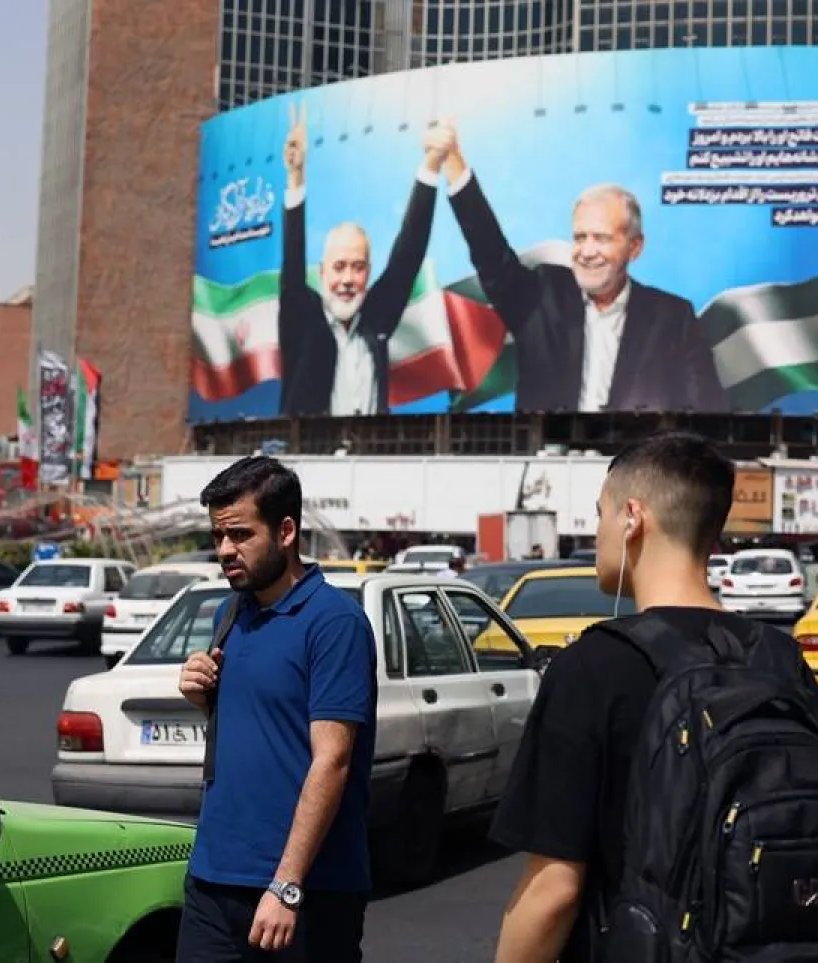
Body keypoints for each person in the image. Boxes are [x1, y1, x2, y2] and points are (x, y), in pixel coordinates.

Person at [489, 432, 818, 962]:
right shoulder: (781, 660)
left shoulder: (592, 667)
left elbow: (554, 889)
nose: (597, 529)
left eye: (600, 512)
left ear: (632, 517)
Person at [176, 455, 377, 961]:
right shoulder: (231, 612)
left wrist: (286, 885)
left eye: (240, 535)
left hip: (304, 891)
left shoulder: (335, 622)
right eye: (218, 536)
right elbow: (261, 733)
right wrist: (205, 701)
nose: (225, 550)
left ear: (286, 531)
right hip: (213, 880)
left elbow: (332, 760)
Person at [434, 121, 728, 414]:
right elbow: (491, 256)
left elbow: (705, 412)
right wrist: (455, 165)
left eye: (601, 238)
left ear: (635, 247)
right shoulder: (541, 296)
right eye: (579, 237)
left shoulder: (674, 319)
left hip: (634, 457)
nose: (587, 252)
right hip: (550, 455)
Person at [277, 102, 444, 416]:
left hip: (369, 455)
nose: (347, 280)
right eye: (339, 267)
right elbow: (292, 263)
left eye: (358, 268)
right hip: (308, 456)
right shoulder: (303, 318)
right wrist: (296, 178)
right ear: (323, 272)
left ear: (368, 273)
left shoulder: (375, 319)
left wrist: (432, 165)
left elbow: (407, 257)